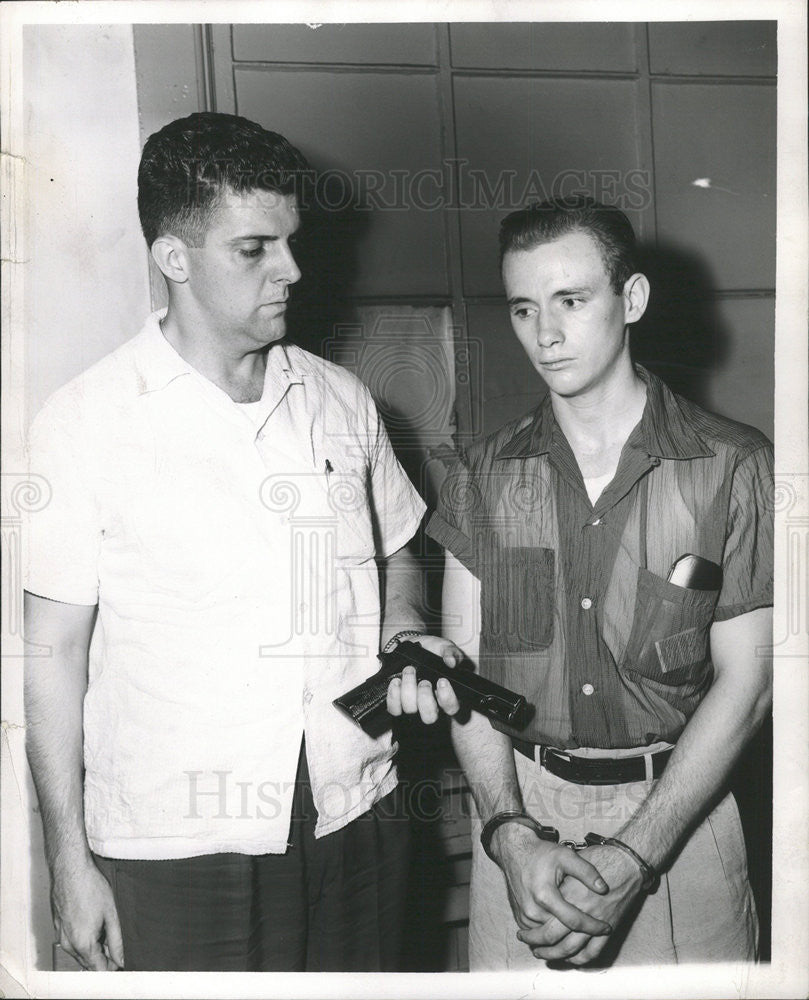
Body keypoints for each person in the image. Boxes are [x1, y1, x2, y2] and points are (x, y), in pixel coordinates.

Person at [23, 111, 458, 973]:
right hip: (179, 844)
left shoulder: (340, 400)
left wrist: (402, 625)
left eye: (291, 241)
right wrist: (68, 862)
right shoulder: (83, 424)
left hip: (353, 808)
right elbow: (49, 658)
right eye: (254, 248)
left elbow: (398, 545)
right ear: (174, 259)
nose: (292, 270)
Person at [388, 198, 773, 968]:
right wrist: (506, 833)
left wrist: (635, 856)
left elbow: (751, 682)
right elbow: (467, 681)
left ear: (629, 300)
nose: (545, 335)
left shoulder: (729, 465)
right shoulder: (482, 475)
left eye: (571, 301)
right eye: (524, 308)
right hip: (522, 826)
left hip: (682, 823)